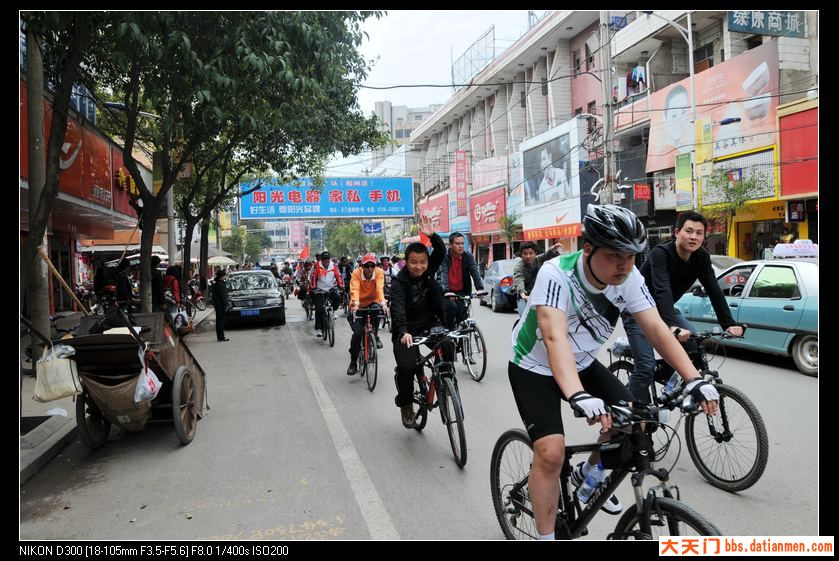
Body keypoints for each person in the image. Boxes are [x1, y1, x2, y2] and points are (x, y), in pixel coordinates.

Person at [508, 204, 720, 540]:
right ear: (588, 250)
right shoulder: (556, 273)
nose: (624, 264)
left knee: (635, 421)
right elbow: (554, 338)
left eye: (631, 256)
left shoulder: (630, 278)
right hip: (534, 366)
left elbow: (656, 329)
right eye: (615, 255)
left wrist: (694, 379)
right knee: (550, 453)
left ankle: (586, 475)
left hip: (582, 361)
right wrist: (578, 394)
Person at [623, 211, 744, 402]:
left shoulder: (701, 257)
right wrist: (672, 325)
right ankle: (635, 412)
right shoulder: (660, 254)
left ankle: (668, 383)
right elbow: (662, 291)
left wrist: (728, 324)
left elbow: (714, 290)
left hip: (664, 312)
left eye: (699, 233)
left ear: (703, 237)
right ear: (677, 232)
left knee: (695, 345)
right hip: (637, 313)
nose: (694, 236)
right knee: (645, 367)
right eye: (689, 231)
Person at [390, 222, 454, 427]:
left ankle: (447, 381)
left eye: (423, 262)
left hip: (429, 323)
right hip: (407, 330)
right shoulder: (398, 283)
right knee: (407, 368)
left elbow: (441, 251)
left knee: (447, 345)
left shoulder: (427, 272)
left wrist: (432, 235)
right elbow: (397, 308)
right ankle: (406, 403)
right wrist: (403, 331)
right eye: (414, 262)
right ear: (406, 262)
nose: (419, 267)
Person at [346, 254, 387, 375]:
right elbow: (355, 289)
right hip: (357, 305)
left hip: (373, 302)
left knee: (378, 311)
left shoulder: (379, 272)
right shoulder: (356, 273)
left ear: (375, 266)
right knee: (357, 334)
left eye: (372, 266)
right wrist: (356, 303)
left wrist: (383, 304)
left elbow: (379, 288)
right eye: (367, 266)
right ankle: (353, 362)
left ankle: (375, 335)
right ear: (362, 266)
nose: (369, 269)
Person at [436, 232, 485, 327]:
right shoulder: (444, 257)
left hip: (462, 292)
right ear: (450, 245)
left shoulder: (467, 256)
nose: (461, 246)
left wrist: (479, 288)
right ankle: (449, 331)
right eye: (457, 243)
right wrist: (446, 291)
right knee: (451, 307)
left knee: (464, 318)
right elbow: (442, 273)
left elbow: (474, 271)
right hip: (447, 293)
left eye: (462, 243)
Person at [512, 242, 564, 317]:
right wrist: (523, 295)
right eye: (525, 254)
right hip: (524, 296)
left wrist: (554, 248)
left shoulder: (539, 259)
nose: (528, 256)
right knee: (524, 318)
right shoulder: (519, 267)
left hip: (538, 295)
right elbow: (518, 279)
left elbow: (547, 254)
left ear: (535, 253)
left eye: (531, 253)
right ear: (521, 255)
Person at [309, 250, 344, 338]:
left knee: (338, 297)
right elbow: (312, 277)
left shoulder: (334, 266)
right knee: (319, 308)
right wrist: (313, 287)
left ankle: (333, 312)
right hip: (319, 290)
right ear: (321, 259)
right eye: (324, 259)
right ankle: (319, 329)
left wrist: (341, 285)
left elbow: (338, 276)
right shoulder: (317, 266)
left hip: (330, 288)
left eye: (327, 258)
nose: (326, 261)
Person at [212, 269, 231, 342]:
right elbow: (224, 296)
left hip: (217, 305)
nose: (225, 277)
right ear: (221, 276)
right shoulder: (222, 285)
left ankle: (219, 337)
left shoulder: (216, 284)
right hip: (221, 305)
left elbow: (213, 296)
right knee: (221, 321)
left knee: (218, 321)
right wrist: (226, 305)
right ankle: (221, 337)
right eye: (224, 276)